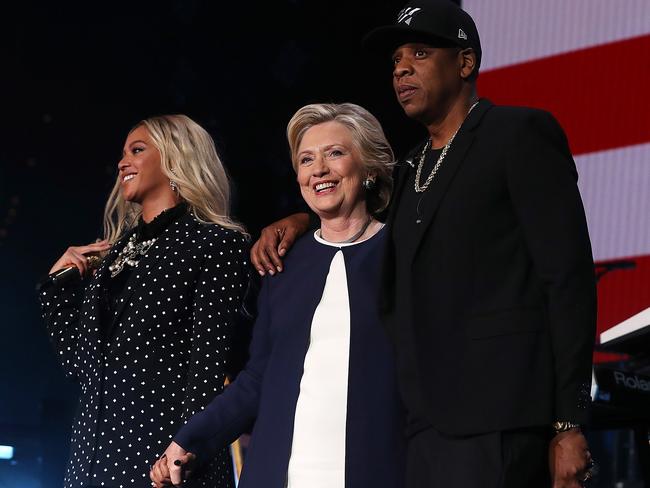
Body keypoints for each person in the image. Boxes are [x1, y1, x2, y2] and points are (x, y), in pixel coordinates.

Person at [250, 1, 597, 487]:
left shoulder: (517, 135)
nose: (402, 69)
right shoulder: (413, 167)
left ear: (465, 62)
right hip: (422, 428)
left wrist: (569, 422)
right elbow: (357, 212)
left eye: (420, 53)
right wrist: (300, 219)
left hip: (500, 418)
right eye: (395, 61)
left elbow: (569, 279)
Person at [150, 103, 405, 488]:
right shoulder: (283, 265)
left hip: (379, 468)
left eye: (334, 153)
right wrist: (190, 440)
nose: (318, 169)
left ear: (369, 167)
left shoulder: (403, 255)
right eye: (306, 159)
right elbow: (257, 378)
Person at [38, 114, 250, 488]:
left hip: (163, 461)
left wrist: (185, 451)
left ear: (175, 159)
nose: (122, 162)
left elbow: (207, 366)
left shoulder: (214, 244)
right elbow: (82, 369)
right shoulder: (110, 260)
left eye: (137, 150)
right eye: (122, 153)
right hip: (92, 461)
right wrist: (55, 291)